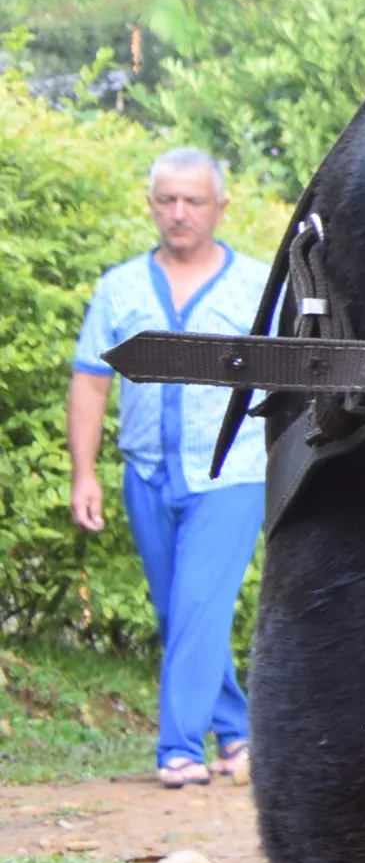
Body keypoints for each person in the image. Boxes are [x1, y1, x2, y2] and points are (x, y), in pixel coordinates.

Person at [65, 147, 272, 789]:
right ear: (151, 205)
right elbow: (90, 381)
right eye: (167, 200)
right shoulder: (120, 287)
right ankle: (237, 733)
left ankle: (178, 748)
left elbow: (290, 383)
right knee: (178, 613)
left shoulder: (258, 286)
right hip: (147, 473)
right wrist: (84, 473)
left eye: (193, 200)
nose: (179, 213)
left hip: (231, 474)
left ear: (220, 208)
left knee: (198, 605)